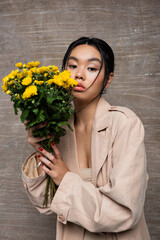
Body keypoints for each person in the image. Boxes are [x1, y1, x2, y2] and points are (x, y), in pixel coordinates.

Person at [21, 37, 150, 239]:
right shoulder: (58, 128)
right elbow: (45, 204)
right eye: (72, 66)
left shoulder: (125, 124)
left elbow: (125, 213)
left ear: (108, 79)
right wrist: (41, 150)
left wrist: (64, 179)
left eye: (91, 68)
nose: (79, 74)